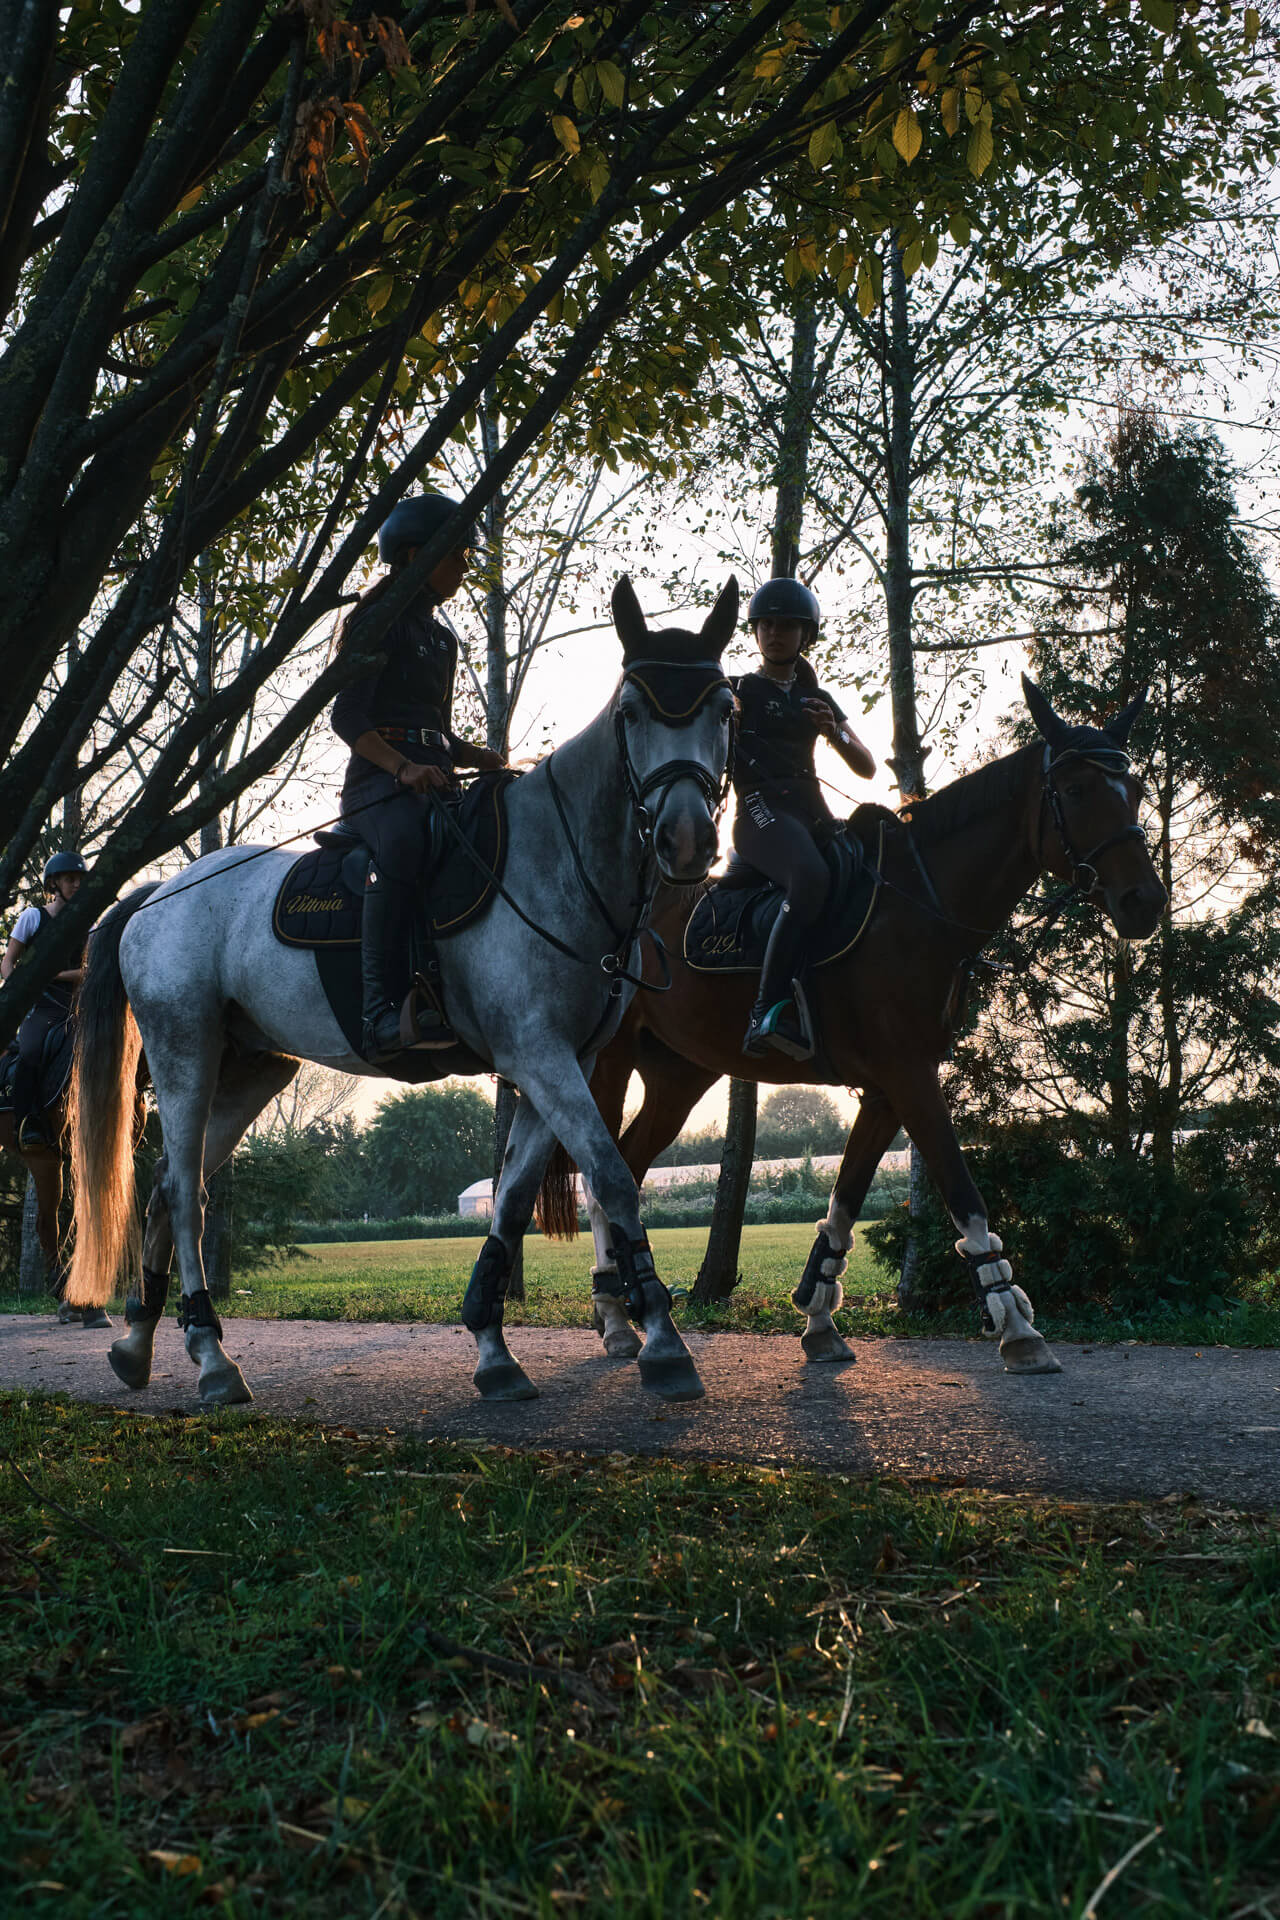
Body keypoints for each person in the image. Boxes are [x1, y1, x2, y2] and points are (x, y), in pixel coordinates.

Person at [331, 492, 504, 1062]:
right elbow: (348, 716)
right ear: (410, 556)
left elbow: (436, 731)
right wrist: (402, 768)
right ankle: (379, 1011)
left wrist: (472, 755)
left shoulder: (442, 639)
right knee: (404, 843)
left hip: (432, 780)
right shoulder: (376, 620)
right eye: (453, 554)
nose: (462, 565)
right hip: (376, 787)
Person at [730, 578, 875, 1059]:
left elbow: (867, 767)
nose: (774, 633)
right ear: (755, 632)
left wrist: (834, 733)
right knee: (810, 876)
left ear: (805, 634)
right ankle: (763, 1010)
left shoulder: (820, 699)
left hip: (813, 810)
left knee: (872, 872)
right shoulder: (738, 691)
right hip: (759, 812)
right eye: (765, 624)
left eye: (787, 625)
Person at [1, 851, 88, 1148]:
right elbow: (8, 961)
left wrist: (55, 974)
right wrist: (18, 989)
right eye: (69, 879)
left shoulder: (87, 924)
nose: (76, 885)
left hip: (75, 1006)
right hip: (40, 1008)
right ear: (54, 883)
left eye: (79, 880)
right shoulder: (32, 917)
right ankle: (27, 1123)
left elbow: (88, 972)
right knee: (31, 1051)